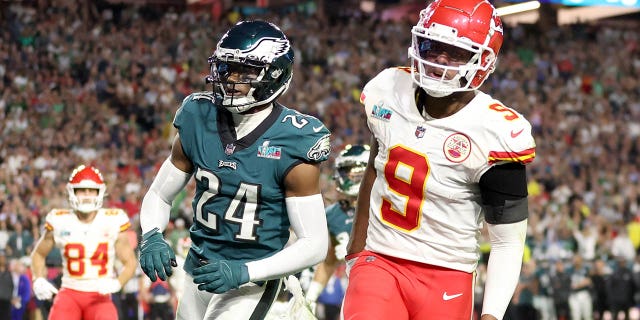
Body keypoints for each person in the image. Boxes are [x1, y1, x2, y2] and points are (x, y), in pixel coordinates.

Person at [342, 0, 536, 319]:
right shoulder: (388, 89)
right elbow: (375, 171)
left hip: (449, 272)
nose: (439, 59)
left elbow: (507, 241)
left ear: (483, 59)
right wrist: (356, 250)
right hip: (380, 260)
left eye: (455, 51)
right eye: (432, 46)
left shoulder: (497, 131)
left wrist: (491, 315)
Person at [138, 20, 331, 319]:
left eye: (246, 70)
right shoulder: (197, 115)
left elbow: (315, 244)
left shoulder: (295, 138)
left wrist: (245, 271)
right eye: (227, 67)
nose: (230, 79)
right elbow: (160, 196)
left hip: (251, 280)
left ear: (275, 73)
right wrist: (151, 234)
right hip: (197, 272)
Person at [30, 165, 138, 320]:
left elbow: (130, 262)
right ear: (72, 192)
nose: (87, 195)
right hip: (69, 292)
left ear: (99, 192)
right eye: (81, 190)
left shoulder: (113, 219)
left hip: (100, 294)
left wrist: (118, 283)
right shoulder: (60, 220)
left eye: (91, 190)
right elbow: (38, 254)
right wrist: (38, 278)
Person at [305, 144, 369, 315]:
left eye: (352, 171)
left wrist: (359, 254)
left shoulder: (380, 206)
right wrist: (310, 297)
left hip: (385, 287)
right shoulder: (333, 214)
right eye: (344, 171)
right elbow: (329, 261)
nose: (346, 176)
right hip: (354, 293)